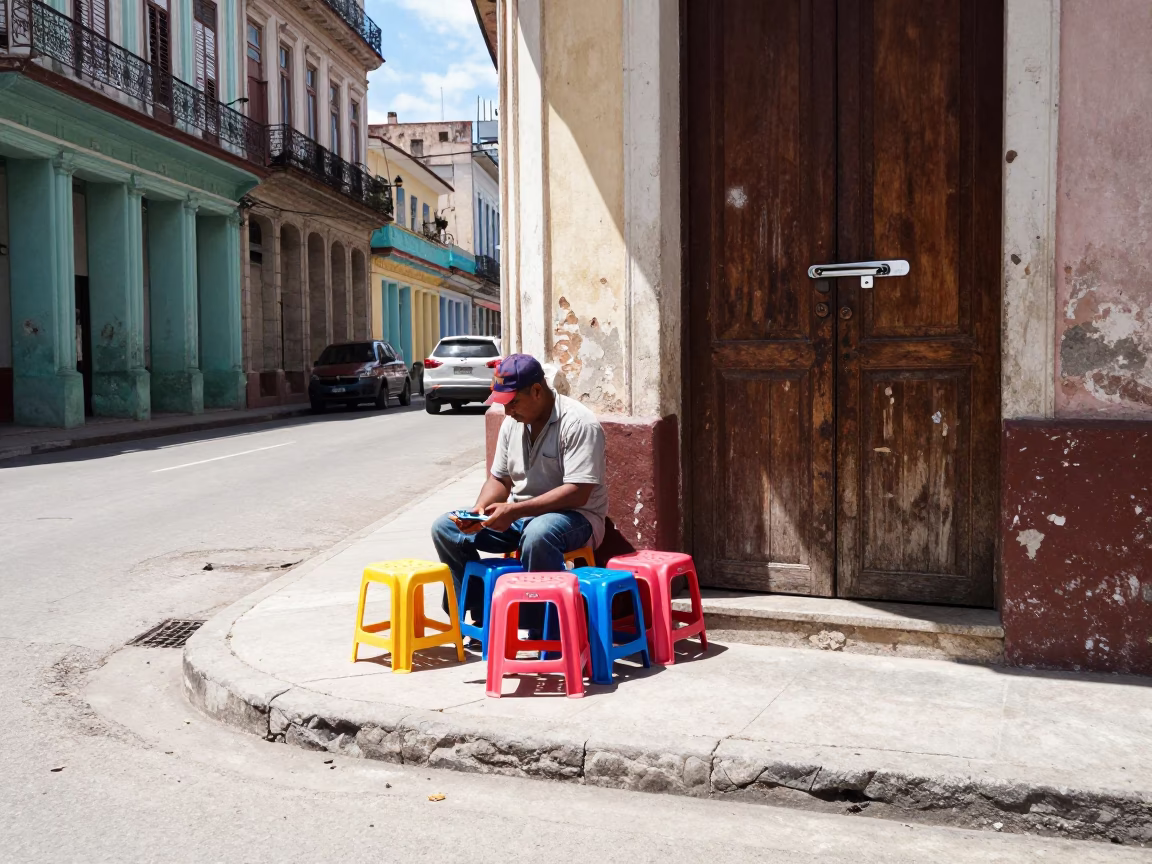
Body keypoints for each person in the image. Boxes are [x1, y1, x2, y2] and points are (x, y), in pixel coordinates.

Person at [431, 353, 608, 637]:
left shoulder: (578, 423)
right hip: (523, 516)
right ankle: (481, 615)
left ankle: (541, 628)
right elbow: (499, 478)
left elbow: (579, 492)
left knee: (539, 534)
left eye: (513, 402)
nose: (507, 411)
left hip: (576, 518)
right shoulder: (512, 423)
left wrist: (514, 511)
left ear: (537, 390)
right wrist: (479, 509)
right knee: (446, 528)